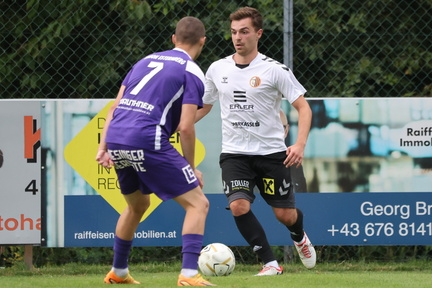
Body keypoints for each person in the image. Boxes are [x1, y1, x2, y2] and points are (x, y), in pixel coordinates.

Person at [196, 7, 316, 276]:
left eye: (244, 32)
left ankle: (299, 236)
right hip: (235, 154)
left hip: (272, 154)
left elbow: (304, 108)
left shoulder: (275, 70)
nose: (238, 38)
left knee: (285, 216)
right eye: (234, 32)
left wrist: (299, 145)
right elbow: (203, 106)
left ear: (258, 33)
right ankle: (271, 263)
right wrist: (179, 123)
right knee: (239, 205)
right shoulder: (217, 68)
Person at [96, 16, 216, 286]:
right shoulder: (193, 71)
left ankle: (119, 271)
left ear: (174, 39)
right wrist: (191, 167)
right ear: (202, 41)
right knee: (199, 204)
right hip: (147, 137)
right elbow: (186, 127)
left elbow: (115, 107)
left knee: (137, 205)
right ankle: (188, 275)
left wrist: (104, 145)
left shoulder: (145, 61)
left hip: (118, 136)